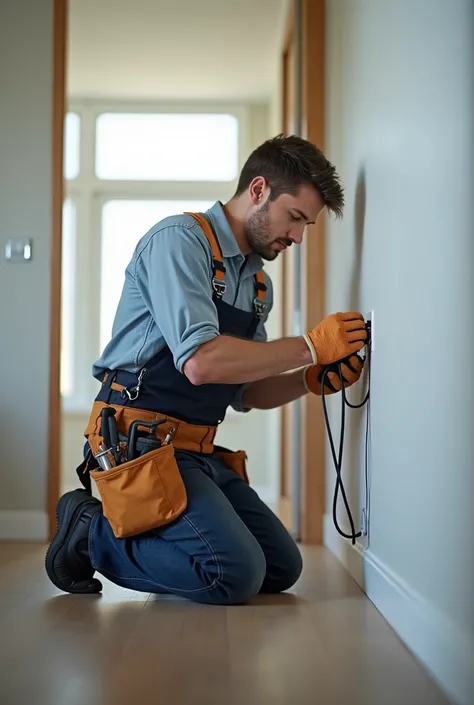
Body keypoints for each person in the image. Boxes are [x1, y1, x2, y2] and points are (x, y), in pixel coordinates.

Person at [45, 134, 367, 605]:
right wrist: (308, 347)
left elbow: (245, 390)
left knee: (281, 566)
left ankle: (163, 532)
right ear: (258, 190)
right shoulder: (179, 242)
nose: (298, 237)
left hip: (196, 449)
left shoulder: (257, 284)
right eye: (295, 218)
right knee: (233, 575)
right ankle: (88, 532)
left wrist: (307, 380)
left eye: (307, 226)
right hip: (141, 442)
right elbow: (201, 363)